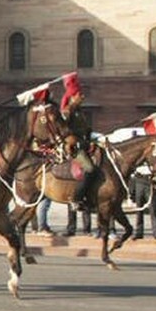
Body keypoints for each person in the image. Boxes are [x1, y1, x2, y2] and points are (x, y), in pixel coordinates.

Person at [60, 73, 99, 212]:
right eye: (79, 95)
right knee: (90, 169)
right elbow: (63, 131)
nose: (82, 97)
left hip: (85, 144)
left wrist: (94, 140)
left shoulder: (79, 112)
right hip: (75, 148)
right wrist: (71, 142)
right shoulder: (67, 112)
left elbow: (86, 130)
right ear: (72, 96)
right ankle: (76, 198)